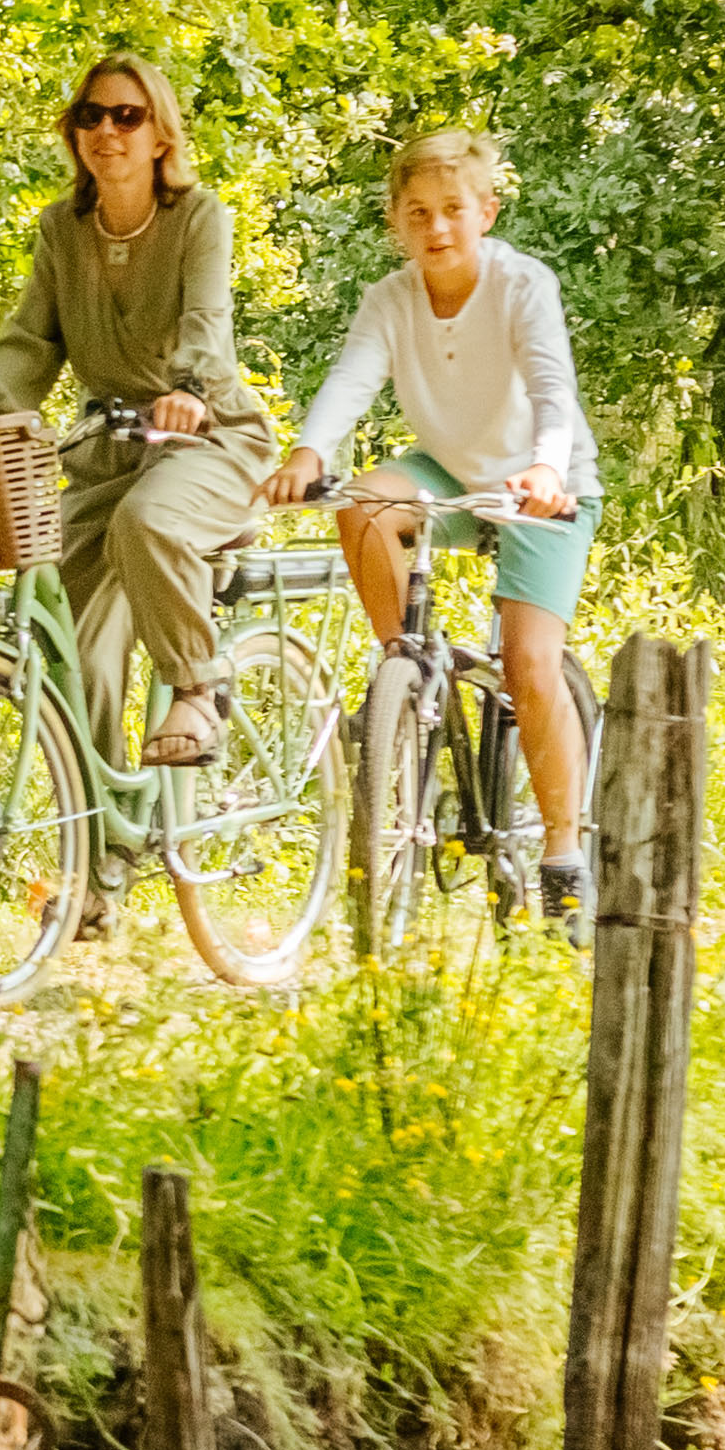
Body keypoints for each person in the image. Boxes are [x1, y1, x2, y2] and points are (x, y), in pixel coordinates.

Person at [273, 126, 605, 924]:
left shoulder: (522, 285)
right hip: (451, 471)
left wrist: (547, 470)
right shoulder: (390, 300)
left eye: (453, 209)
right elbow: (352, 377)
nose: (437, 228)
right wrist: (308, 452)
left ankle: (561, 848)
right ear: (395, 221)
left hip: (542, 486)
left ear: (485, 211)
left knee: (529, 663)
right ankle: (404, 680)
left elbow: (551, 389)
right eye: (417, 213)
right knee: (361, 504)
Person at [0, 49, 270, 772]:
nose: (107, 131)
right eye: (90, 116)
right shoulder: (62, 229)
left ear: (159, 135)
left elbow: (206, 321)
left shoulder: (197, 218)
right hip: (111, 449)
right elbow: (29, 340)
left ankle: (197, 685)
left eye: (127, 116)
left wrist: (188, 390)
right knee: (63, 626)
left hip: (208, 440)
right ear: (73, 133)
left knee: (148, 520)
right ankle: (102, 848)